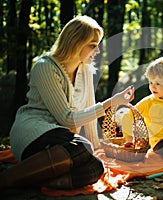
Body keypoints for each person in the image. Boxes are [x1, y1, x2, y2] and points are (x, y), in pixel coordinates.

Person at [0, 16, 134, 190]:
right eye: (92, 45)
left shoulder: (85, 70)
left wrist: (98, 147)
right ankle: (5, 180)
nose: (98, 51)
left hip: (63, 140)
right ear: (75, 43)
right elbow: (67, 119)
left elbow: (89, 112)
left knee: (96, 167)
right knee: (82, 147)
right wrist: (111, 103)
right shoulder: (45, 67)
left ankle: (38, 182)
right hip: (33, 132)